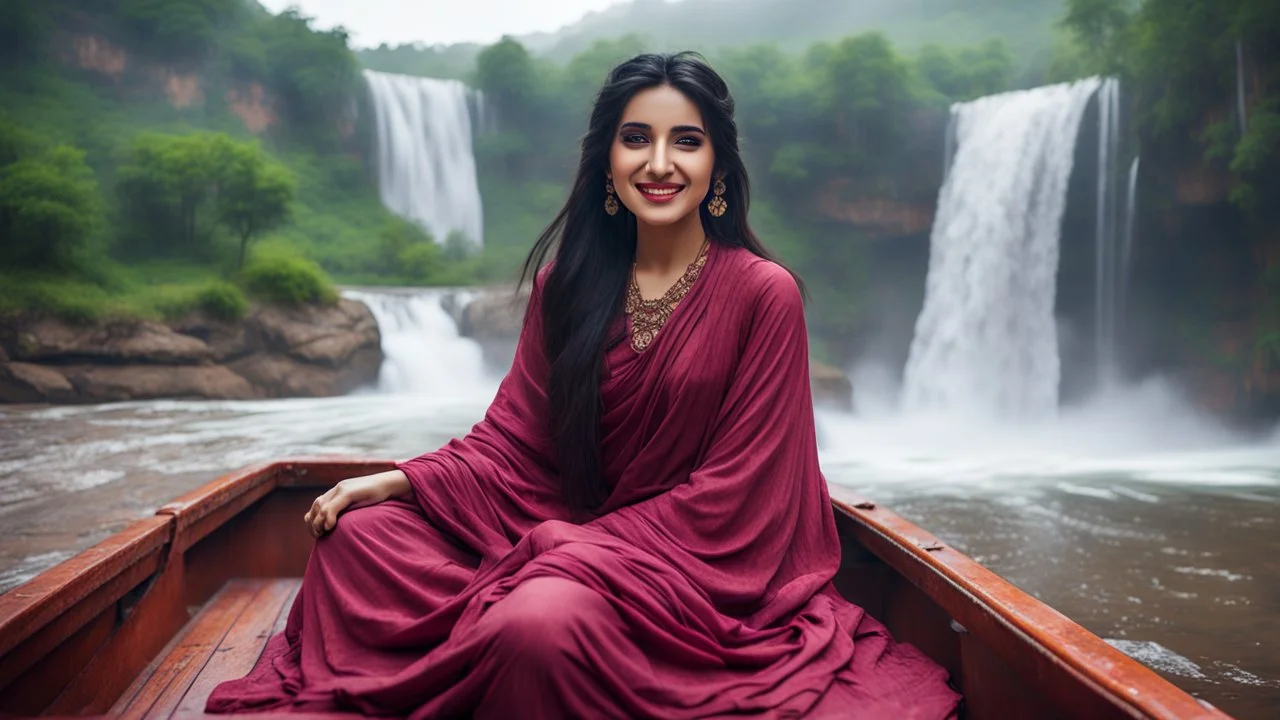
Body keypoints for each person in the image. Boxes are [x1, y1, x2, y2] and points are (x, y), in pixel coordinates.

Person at [207, 52, 961, 719]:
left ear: (719, 168)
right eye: (636, 138)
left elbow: (742, 494)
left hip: (692, 566)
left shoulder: (764, 295)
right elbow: (514, 438)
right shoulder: (566, 285)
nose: (659, 163)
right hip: (559, 527)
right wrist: (405, 480)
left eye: (686, 142)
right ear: (606, 160)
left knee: (535, 624)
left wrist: (570, 550)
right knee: (357, 541)